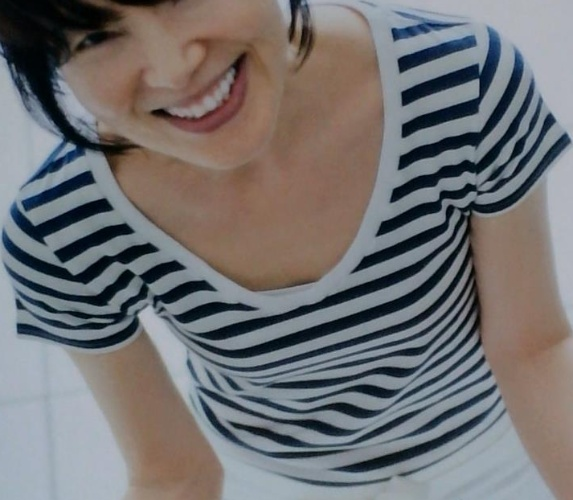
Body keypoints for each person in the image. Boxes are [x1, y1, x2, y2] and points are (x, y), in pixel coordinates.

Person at [0, 0, 571, 498]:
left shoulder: (459, 81)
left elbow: (532, 351)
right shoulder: (60, 229)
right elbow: (172, 472)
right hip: (274, 480)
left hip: (498, 444)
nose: (175, 68)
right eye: (95, 36)